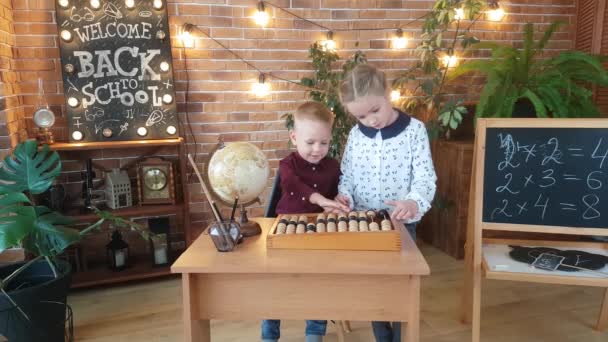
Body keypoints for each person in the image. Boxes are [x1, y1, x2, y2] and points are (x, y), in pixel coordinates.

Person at [336, 64, 437, 342]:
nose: (370, 120)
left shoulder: (415, 131)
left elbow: (425, 178)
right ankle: (383, 336)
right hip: (364, 225)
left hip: (402, 224)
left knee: (401, 289)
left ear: (388, 94)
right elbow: (348, 174)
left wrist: (414, 202)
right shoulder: (356, 135)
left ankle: (400, 335)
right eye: (360, 116)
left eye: (375, 110)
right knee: (375, 287)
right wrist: (344, 195)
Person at [261, 101, 349, 342]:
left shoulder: (332, 167)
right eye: (310, 142)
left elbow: (337, 194)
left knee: (317, 283)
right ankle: (269, 334)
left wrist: (340, 199)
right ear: (294, 137)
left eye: (324, 142)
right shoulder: (287, 165)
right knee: (275, 285)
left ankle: (314, 332)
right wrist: (319, 198)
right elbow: (292, 184)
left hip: (318, 236)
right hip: (286, 233)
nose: (317, 149)